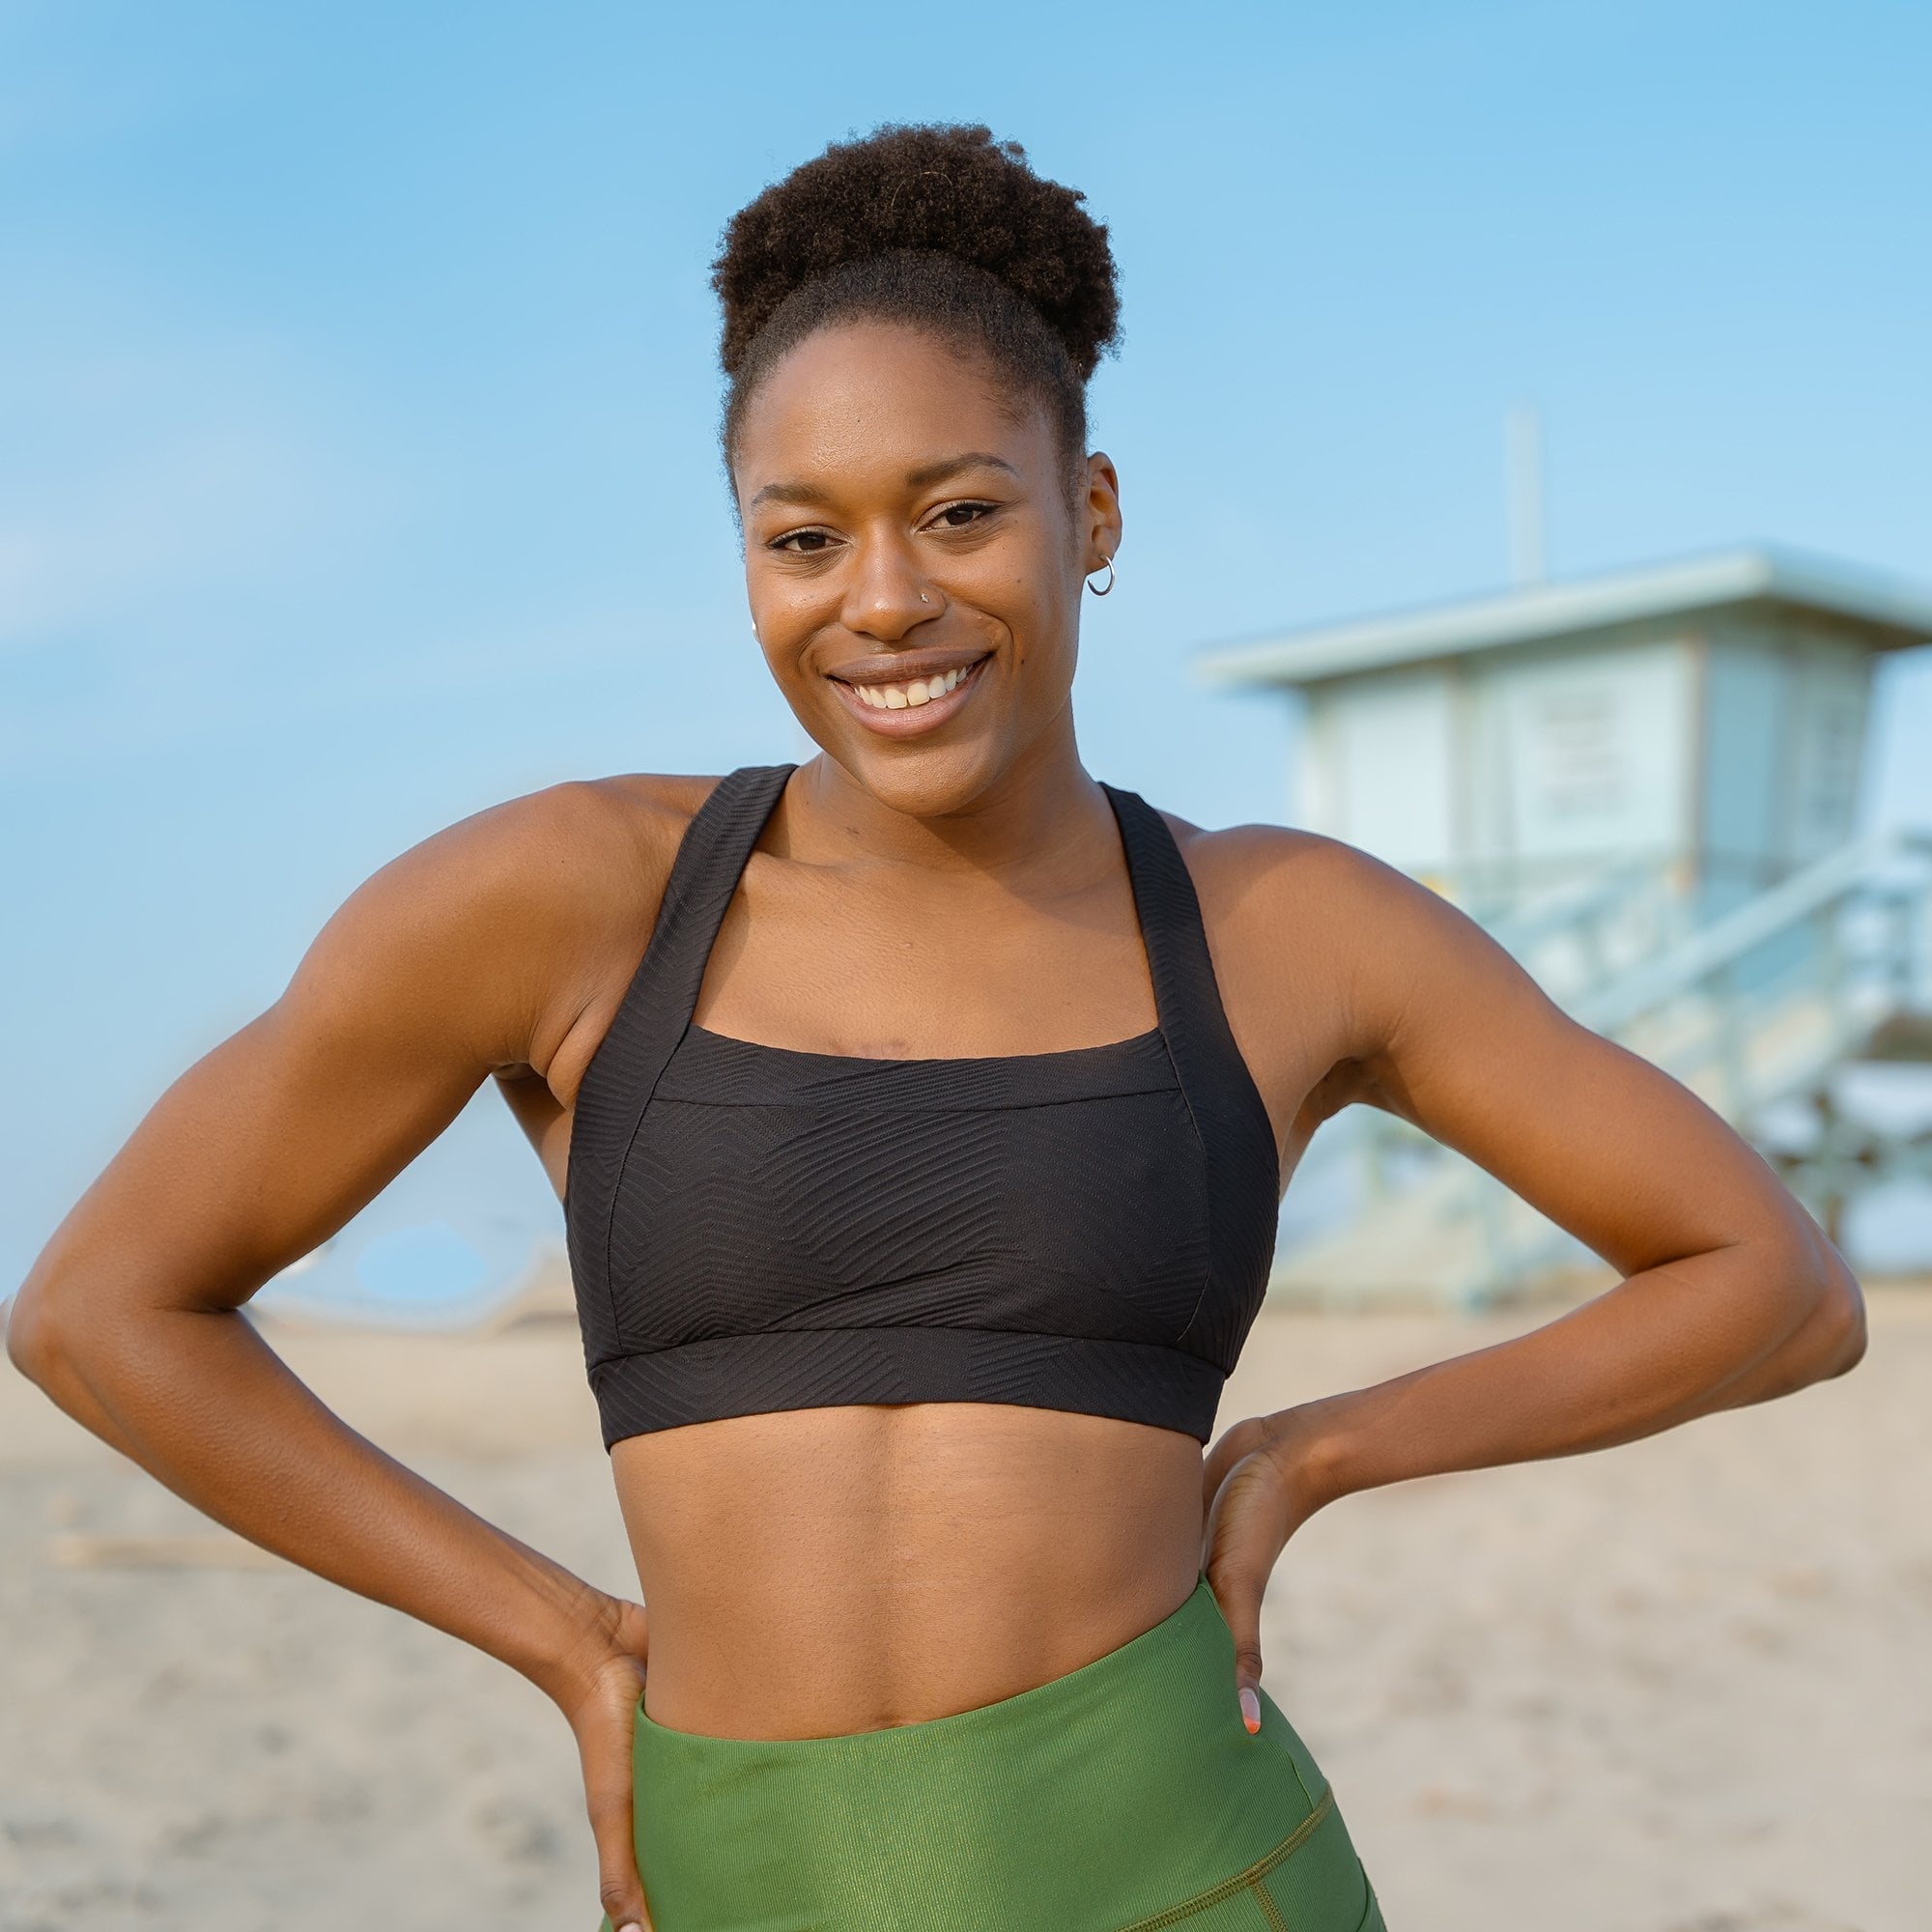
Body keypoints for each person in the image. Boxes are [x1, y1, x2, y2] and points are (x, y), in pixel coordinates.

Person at [7, 122, 1866, 1932]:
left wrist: (1318, 1448)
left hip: (1187, 1874)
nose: (886, 600)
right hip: (745, 1877)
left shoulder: (1283, 931)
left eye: (961, 512)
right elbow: (104, 1312)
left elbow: (1775, 1286)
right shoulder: (571, 899)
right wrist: (563, 1643)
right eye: (804, 537)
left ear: (1092, 510)